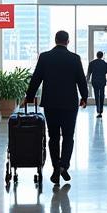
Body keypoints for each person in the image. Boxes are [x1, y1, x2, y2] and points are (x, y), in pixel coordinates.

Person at [27, 30, 88, 186]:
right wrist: (84, 97)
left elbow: (36, 78)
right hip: (70, 104)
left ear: (55, 40)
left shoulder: (45, 57)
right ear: (68, 41)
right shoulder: (74, 58)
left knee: (53, 137)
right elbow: (81, 79)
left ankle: (55, 168)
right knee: (68, 136)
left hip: (51, 103)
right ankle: (63, 166)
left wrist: (30, 96)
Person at [87, 51, 107, 118]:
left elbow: (89, 73)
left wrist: (87, 80)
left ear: (96, 55)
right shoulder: (105, 63)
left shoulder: (92, 63)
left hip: (95, 81)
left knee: (96, 95)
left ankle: (98, 110)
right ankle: (101, 110)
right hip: (102, 81)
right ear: (102, 56)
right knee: (102, 95)